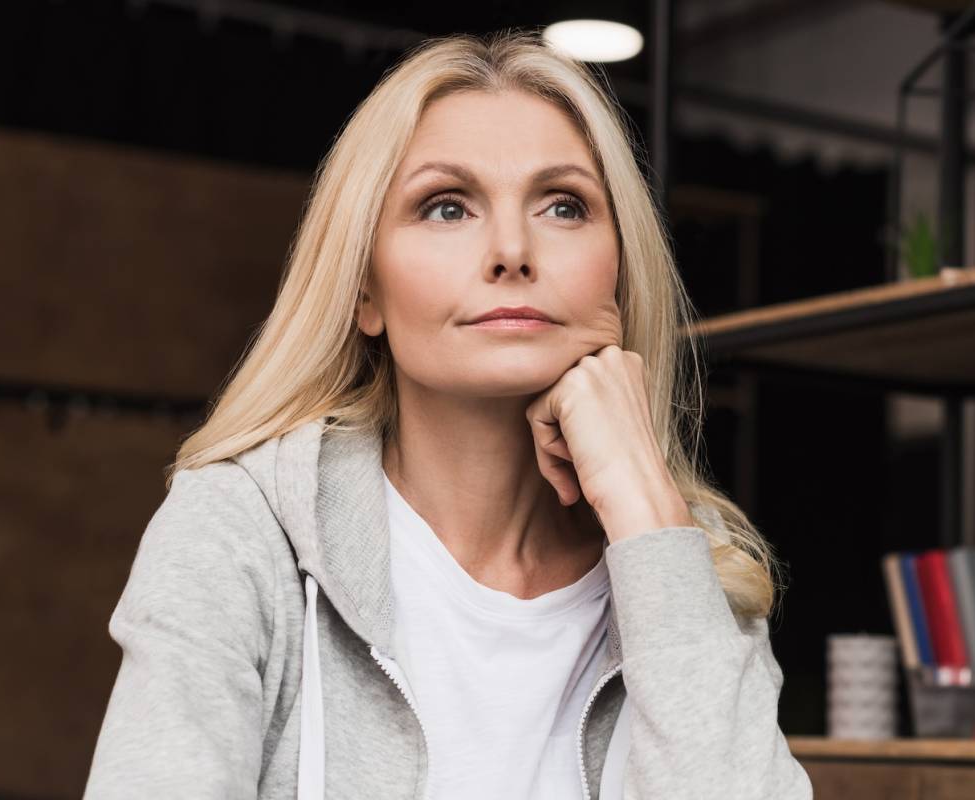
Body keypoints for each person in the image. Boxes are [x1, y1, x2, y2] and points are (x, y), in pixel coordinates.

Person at [82, 30, 813, 800]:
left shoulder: (687, 564)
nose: (510, 251)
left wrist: (646, 509)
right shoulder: (242, 531)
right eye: (446, 207)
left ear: (622, 277)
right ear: (363, 290)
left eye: (563, 206)